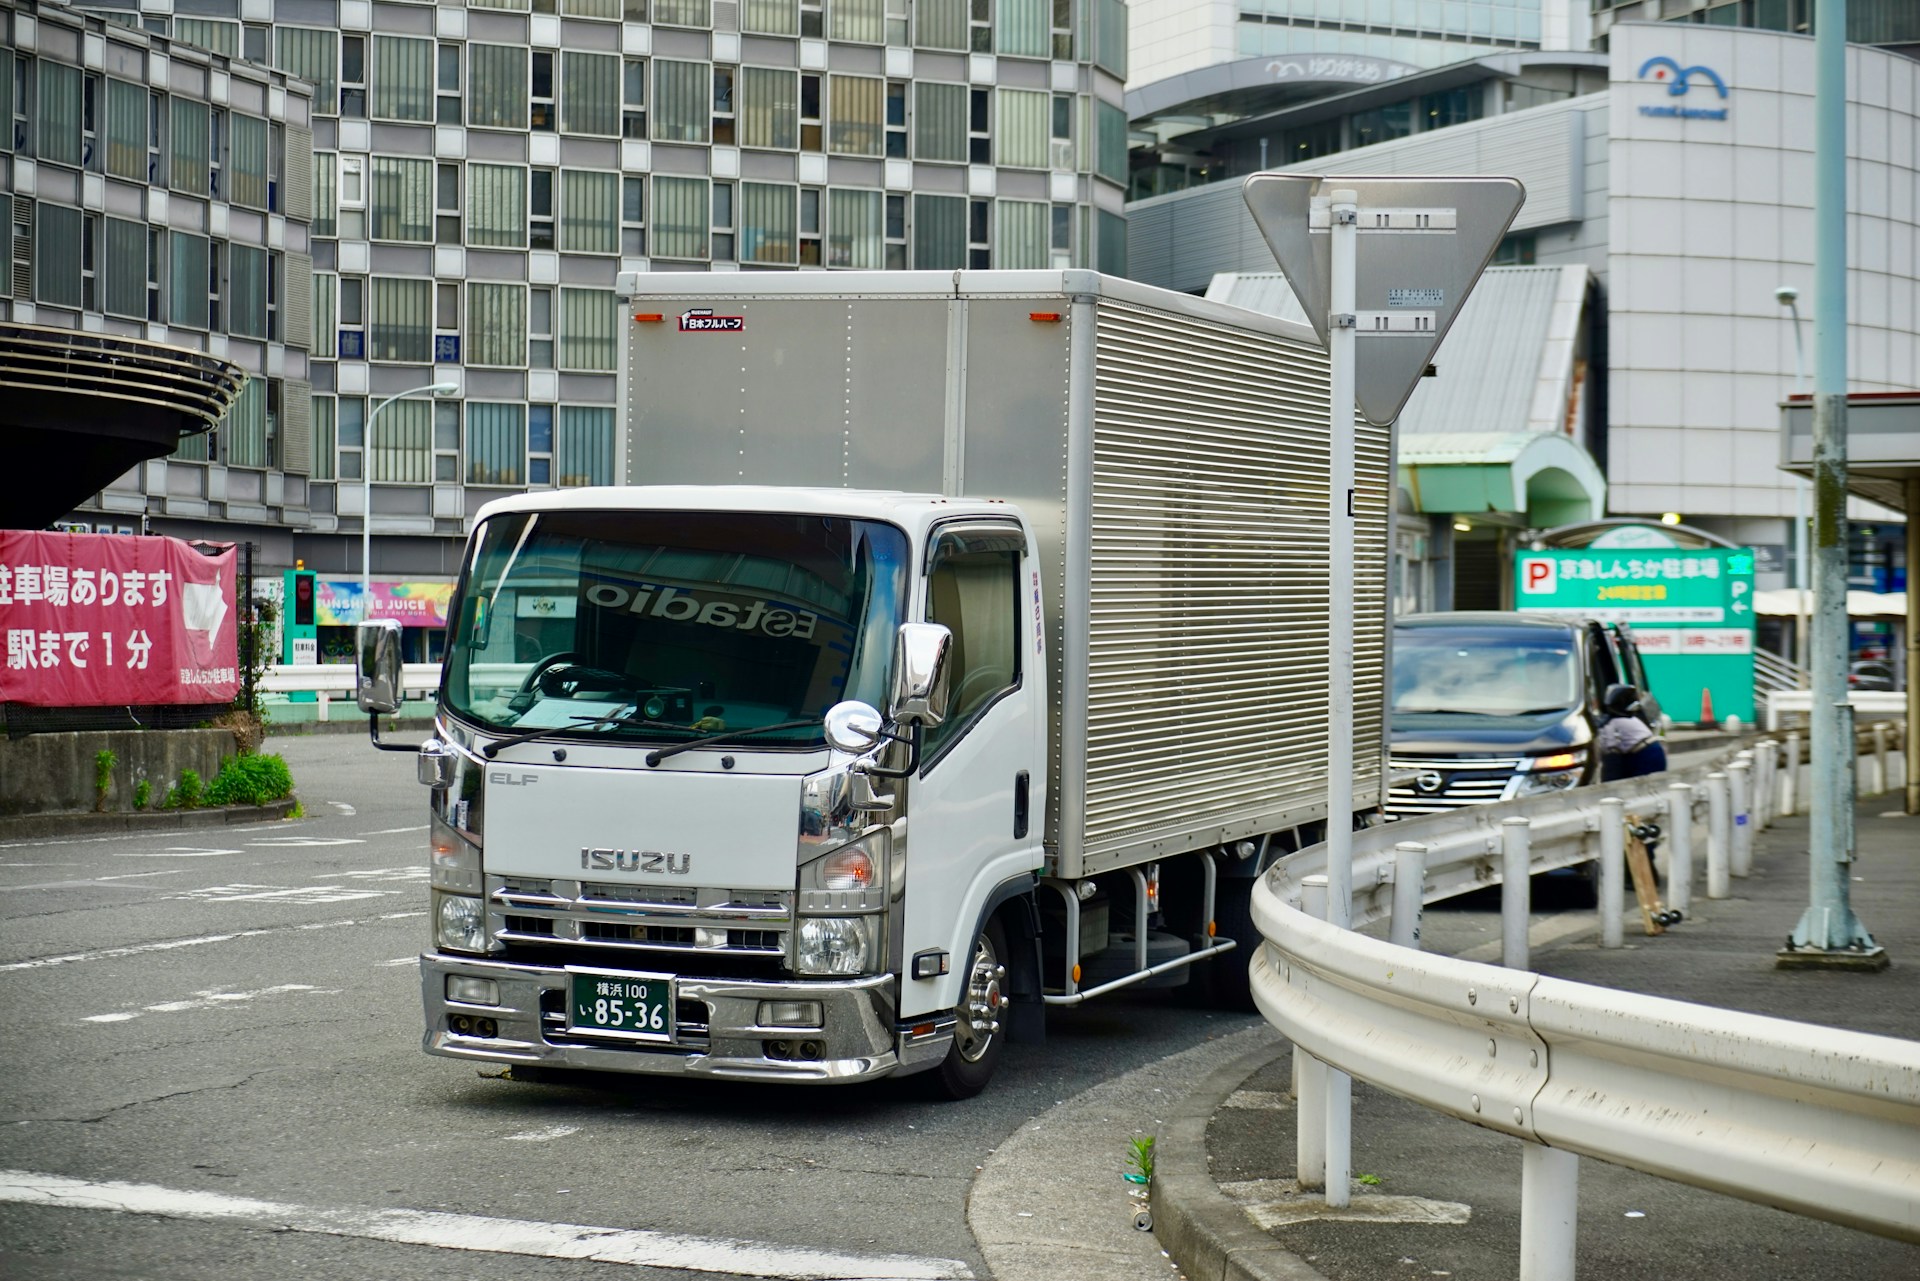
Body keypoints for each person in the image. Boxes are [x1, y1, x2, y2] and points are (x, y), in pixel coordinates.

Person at [1597, 683, 1667, 781]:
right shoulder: (1627, 719)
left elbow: (1612, 760)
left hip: (1645, 754)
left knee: (1644, 790)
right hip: (1652, 750)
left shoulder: (1609, 725)